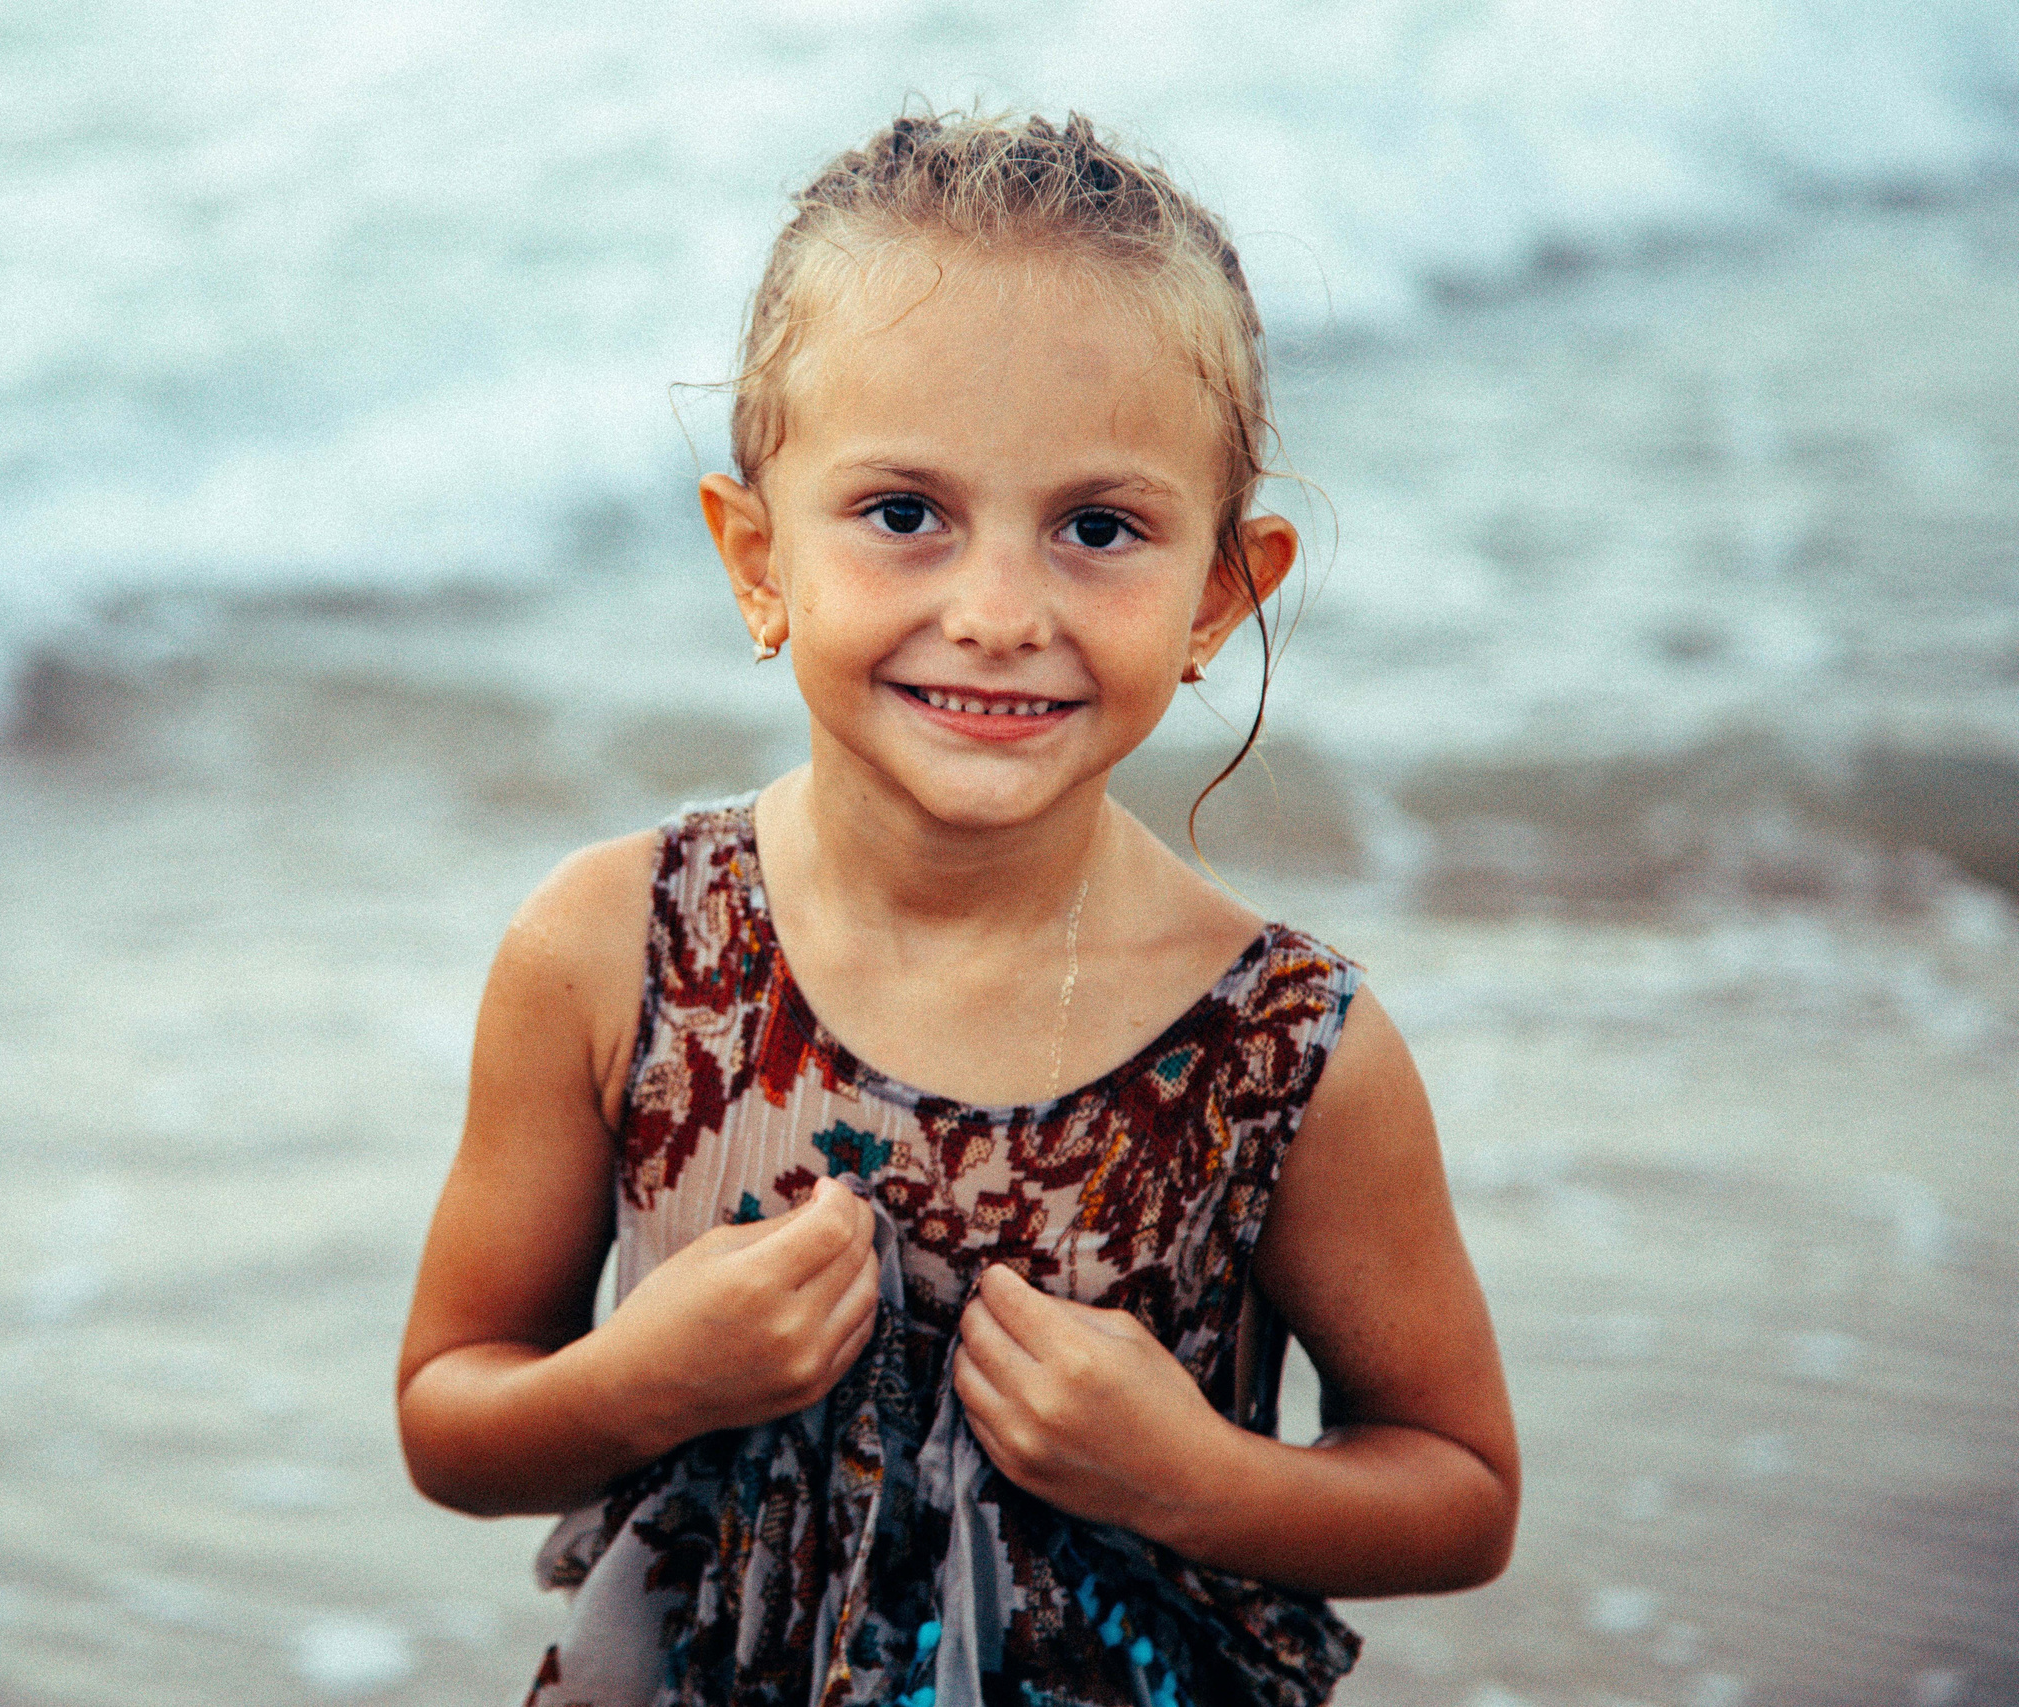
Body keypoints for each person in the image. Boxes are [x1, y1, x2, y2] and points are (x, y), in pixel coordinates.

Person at [396, 110, 1519, 1707]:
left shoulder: (1284, 1050)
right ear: (755, 555)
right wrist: (644, 1379)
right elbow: (451, 1416)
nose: (997, 615)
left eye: (1099, 529)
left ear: (1219, 592)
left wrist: (1186, 1476)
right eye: (904, 513)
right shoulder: (611, 951)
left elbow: (1459, 1493)